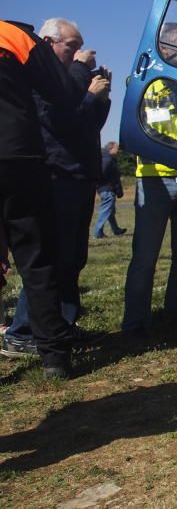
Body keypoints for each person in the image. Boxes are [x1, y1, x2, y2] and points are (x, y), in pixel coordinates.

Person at [3, 18, 110, 358]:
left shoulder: (66, 78)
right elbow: (61, 119)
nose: (79, 54)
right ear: (49, 43)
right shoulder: (35, 75)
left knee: (71, 258)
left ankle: (60, 325)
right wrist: (83, 83)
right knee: (45, 258)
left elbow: (87, 125)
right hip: (54, 173)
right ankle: (24, 330)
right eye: (72, 47)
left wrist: (99, 99)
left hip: (77, 174)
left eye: (80, 47)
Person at [121, 23, 177, 337]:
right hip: (154, 181)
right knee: (145, 257)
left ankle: (176, 313)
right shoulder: (148, 84)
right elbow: (139, 128)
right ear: (165, 48)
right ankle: (135, 323)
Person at [93, 141, 126, 238]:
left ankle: (116, 230)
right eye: (117, 148)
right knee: (105, 210)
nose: (118, 151)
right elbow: (103, 174)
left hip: (105, 188)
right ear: (110, 148)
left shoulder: (107, 158)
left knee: (110, 211)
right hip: (107, 189)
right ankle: (97, 233)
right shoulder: (108, 160)